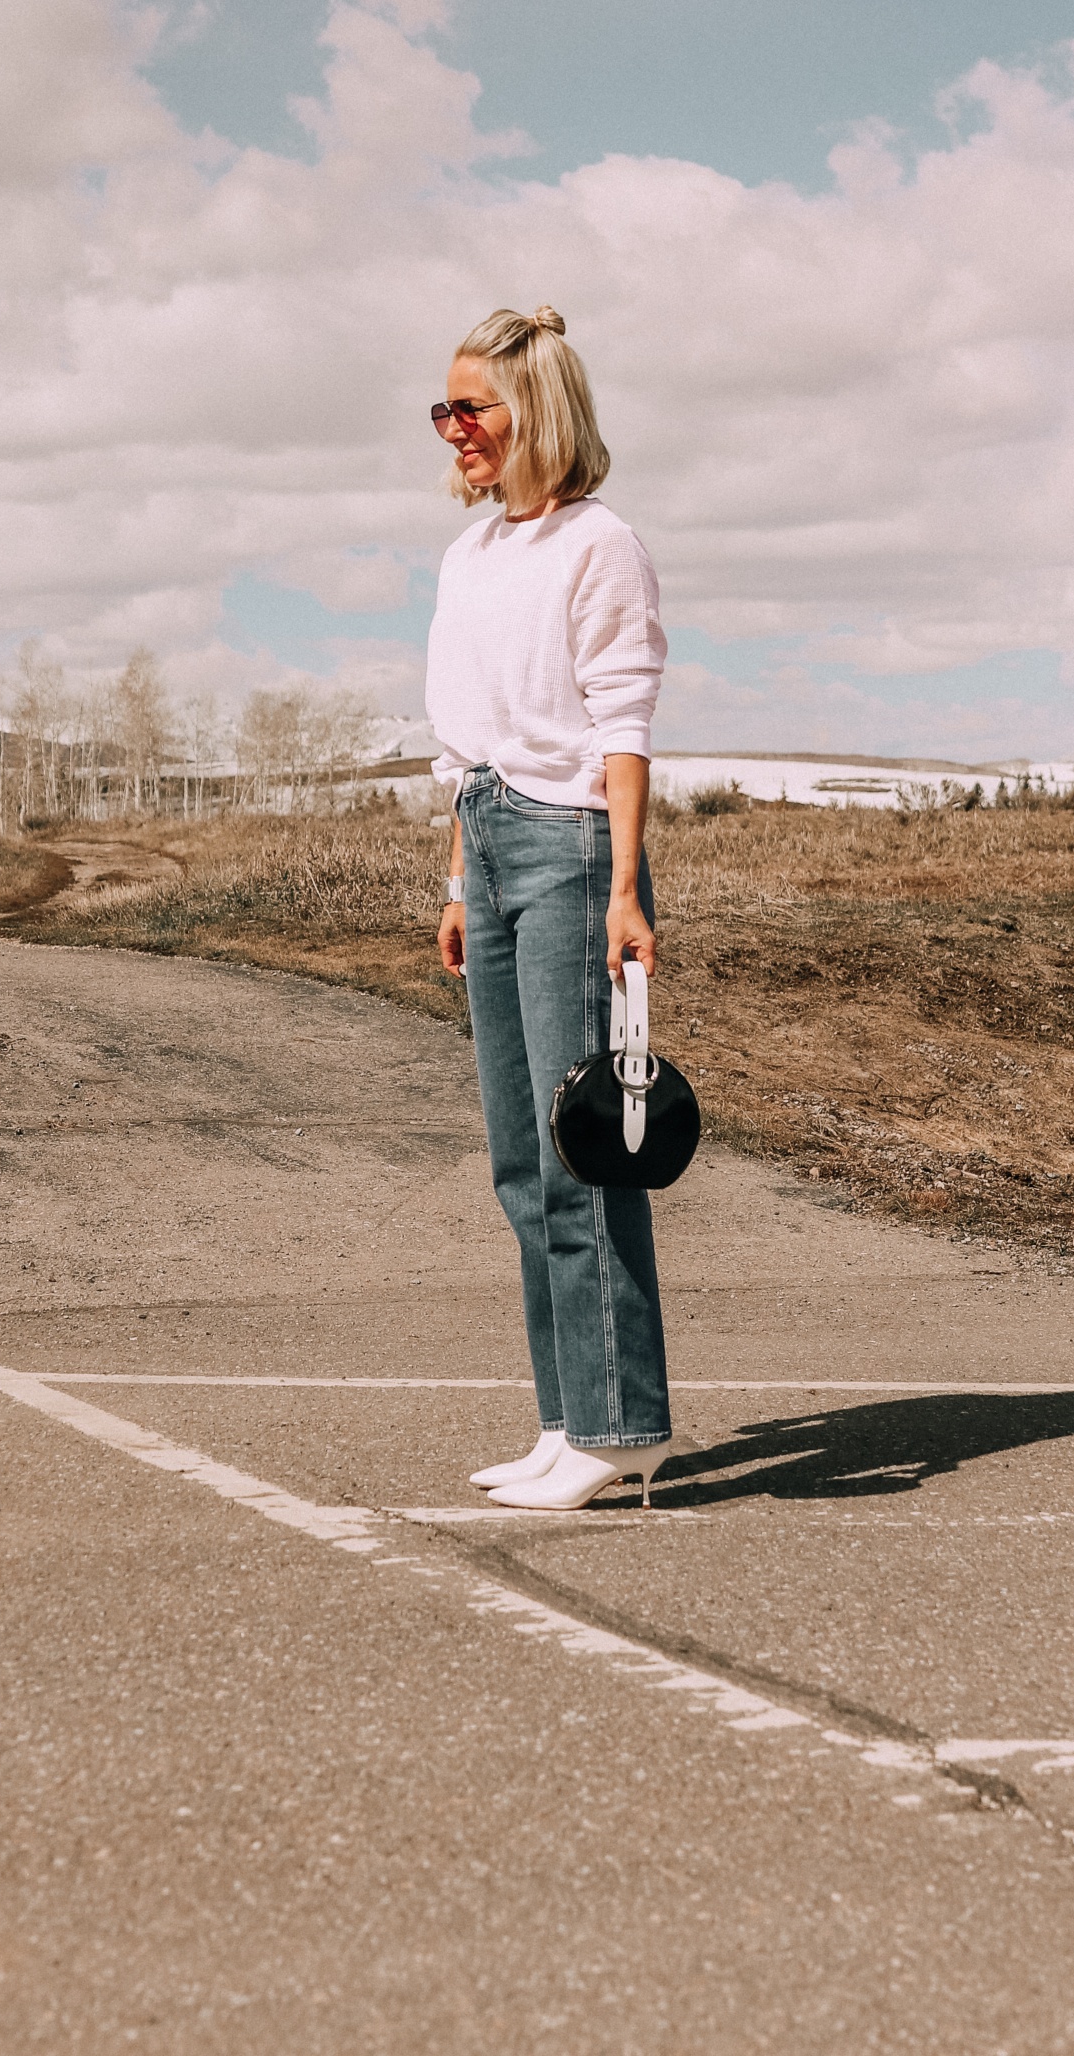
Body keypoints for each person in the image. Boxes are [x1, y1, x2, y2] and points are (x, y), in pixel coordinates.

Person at [426, 304, 677, 1510]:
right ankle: (566, 1417)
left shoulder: (599, 544)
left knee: (586, 1154)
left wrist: (626, 888)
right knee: (519, 1162)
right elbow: (468, 741)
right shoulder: (468, 557)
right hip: (490, 838)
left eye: (470, 408)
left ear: (536, 414)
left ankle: (621, 1425)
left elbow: (621, 722)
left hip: (575, 850)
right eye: (443, 411)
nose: (452, 430)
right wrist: (458, 879)